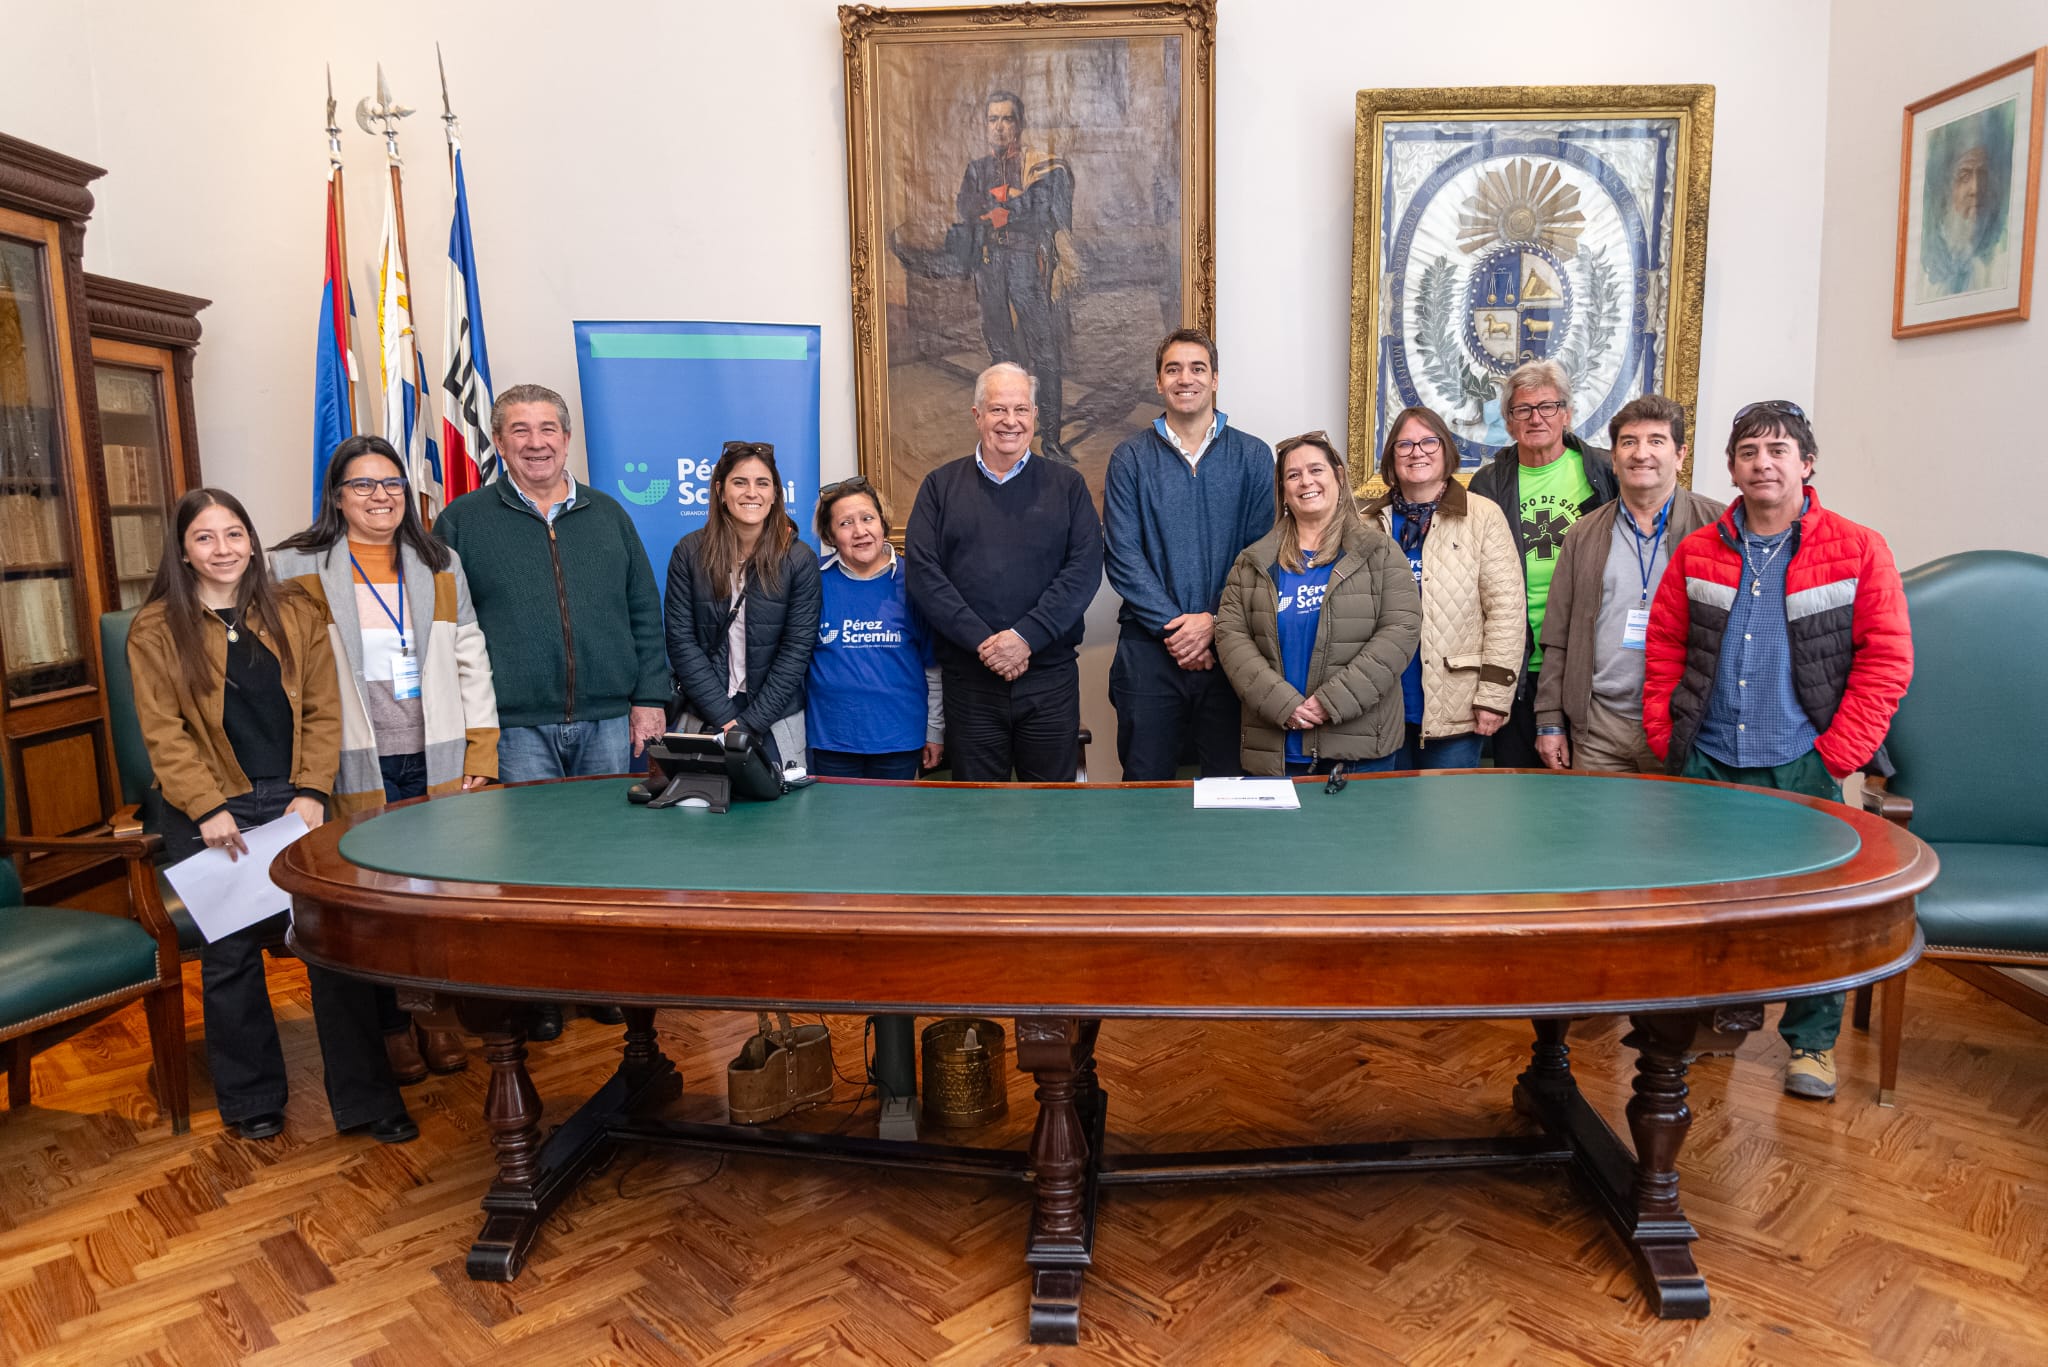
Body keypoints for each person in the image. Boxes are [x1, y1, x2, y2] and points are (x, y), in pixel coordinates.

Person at [1644, 400, 1913, 1101]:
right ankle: (1710, 1025)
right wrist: (1665, 735)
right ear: (1731, 467)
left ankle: (1813, 1046)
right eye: (1749, 451)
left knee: (1813, 914)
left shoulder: (1858, 548)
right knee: (1707, 906)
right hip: (1707, 760)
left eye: (1779, 449)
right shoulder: (1698, 549)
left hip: (1803, 759)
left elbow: (1887, 660)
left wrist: (1837, 755)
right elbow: (1666, 646)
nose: (1764, 462)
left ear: (1807, 462)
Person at [128, 488, 415, 1144]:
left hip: (294, 803)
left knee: (330, 946)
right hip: (209, 811)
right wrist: (207, 807)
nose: (222, 548)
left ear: (252, 543)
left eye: (234, 534)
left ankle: (369, 1099)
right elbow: (163, 732)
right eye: (205, 537)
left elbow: (323, 708)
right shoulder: (155, 630)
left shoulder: (294, 610)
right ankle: (252, 1097)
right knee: (229, 956)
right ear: (183, 551)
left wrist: (312, 790)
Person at [434, 383, 668, 1040]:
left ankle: (601, 982)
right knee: (530, 868)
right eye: (519, 430)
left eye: (547, 429)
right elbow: (444, 626)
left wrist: (650, 698)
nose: (535, 442)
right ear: (500, 441)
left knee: (606, 862)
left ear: (567, 438)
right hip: (515, 723)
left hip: (607, 718)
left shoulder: (609, 514)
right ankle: (537, 991)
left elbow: (643, 613)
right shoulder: (463, 520)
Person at [272, 434, 498, 1083]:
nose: (381, 496)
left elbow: (470, 655)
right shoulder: (296, 566)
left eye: (392, 484)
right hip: (350, 763)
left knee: (432, 897)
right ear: (337, 497)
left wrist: (482, 748)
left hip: (435, 757)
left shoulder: (439, 560)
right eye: (364, 485)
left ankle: (431, 1016)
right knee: (369, 903)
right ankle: (392, 1028)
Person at [906, 362, 1103, 782]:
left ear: (1035, 416)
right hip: (970, 682)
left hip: (1049, 679)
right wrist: (987, 644)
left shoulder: (1067, 485)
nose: (1009, 422)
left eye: (1020, 410)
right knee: (976, 819)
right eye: (997, 410)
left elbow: (1083, 571)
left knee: (1053, 815)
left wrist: (1024, 638)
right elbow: (925, 575)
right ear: (977, 416)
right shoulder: (939, 487)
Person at [1103, 328, 1273, 780]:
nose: (1185, 378)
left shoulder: (1254, 457)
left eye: (1197, 368)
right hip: (1149, 652)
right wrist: (1178, 629)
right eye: (1172, 369)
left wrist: (1214, 623)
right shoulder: (1129, 459)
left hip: (1232, 651)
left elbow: (1260, 555)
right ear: (1159, 382)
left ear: (1215, 379)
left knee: (1231, 789)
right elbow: (1122, 556)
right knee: (1145, 789)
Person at [1532, 396, 1725, 774]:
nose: (1641, 454)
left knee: (1672, 834)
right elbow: (1557, 636)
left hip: (1683, 726)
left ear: (1680, 454)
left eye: (1656, 441)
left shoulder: (1717, 527)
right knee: (1596, 833)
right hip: (1598, 730)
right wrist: (1550, 721)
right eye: (1628, 442)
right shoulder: (1583, 533)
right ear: (1614, 459)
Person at [1215, 432, 1420, 777]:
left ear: (1338, 475)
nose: (1305, 481)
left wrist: (1329, 703)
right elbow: (1231, 638)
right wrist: (1284, 705)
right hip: (1276, 752)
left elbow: (1400, 632)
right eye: (1293, 475)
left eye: (1316, 470)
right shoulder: (1252, 561)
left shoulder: (1380, 552)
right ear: (1282, 490)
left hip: (1359, 753)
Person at [1467, 359, 1617, 766]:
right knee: (1517, 790)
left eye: (1548, 406)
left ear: (1567, 414)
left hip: (1583, 659)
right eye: (1523, 410)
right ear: (1509, 421)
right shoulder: (1488, 484)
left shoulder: (1603, 472)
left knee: (1583, 792)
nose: (1536, 418)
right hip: (1516, 660)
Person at [1361, 406, 1522, 769]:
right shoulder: (1367, 524)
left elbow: (1507, 612)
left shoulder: (1483, 516)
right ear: (1391, 458)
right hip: (1379, 707)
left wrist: (1494, 697)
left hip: (1458, 706)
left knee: (1448, 819)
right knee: (1380, 818)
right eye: (1404, 445)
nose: (1417, 452)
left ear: (1446, 450)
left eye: (1428, 442)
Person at [665, 441, 821, 770]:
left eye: (762, 483)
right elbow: (681, 640)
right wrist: (725, 718)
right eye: (740, 482)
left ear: (776, 494)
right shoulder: (689, 553)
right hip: (705, 714)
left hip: (775, 720)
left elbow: (796, 650)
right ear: (721, 492)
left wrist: (750, 724)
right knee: (699, 814)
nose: (752, 492)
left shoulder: (799, 558)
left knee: (782, 819)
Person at [954, 89, 1076, 463]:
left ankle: (1051, 442)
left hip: (1026, 262)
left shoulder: (1040, 164)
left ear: (1019, 125)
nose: (1000, 127)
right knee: (1001, 354)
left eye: (1007, 119)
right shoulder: (976, 169)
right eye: (994, 119)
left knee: (1044, 351)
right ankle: (1005, 438)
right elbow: (967, 207)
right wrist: (1004, 205)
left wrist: (1002, 208)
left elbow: (1041, 209)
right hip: (990, 265)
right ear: (986, 125)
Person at [806, 476, 942, 780]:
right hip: (831, 740)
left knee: (894, 828)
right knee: (834, 827)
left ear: (883, 523)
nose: (860, 531)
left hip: (899, 739)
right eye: (845, 524)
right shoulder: (811, 581)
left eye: (868, 518)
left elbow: (934, 668)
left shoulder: (917, 581)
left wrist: (935, 731)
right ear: (829, 535)